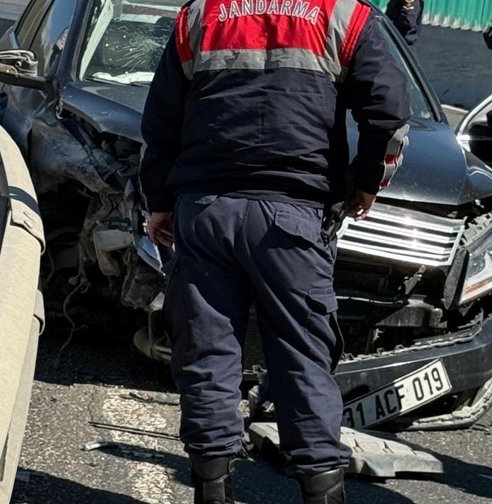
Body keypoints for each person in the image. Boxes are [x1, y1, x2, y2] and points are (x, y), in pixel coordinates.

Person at [138, 0, 411, 501]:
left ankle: (212, 490)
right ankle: (321, 489)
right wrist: (366, 183)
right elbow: (389, 114)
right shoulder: (344, 15)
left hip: (205, 212)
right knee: (303, 358)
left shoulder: (199, 15)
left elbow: (160, 121)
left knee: (207, 352)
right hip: (293, 217)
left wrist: (159, 200)